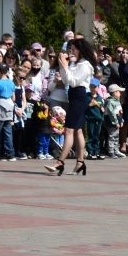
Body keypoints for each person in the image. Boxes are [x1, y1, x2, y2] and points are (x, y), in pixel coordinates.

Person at [45, 38, 96, 176]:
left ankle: (60, 162)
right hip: (73, 95)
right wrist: (63, 66)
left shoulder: (85, 65)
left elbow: (73, 82)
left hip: (79, 95)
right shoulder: (74, 63)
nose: (71, 51)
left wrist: (65, 67)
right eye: (70, 48)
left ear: (80, 50)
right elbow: (66, 79)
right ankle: (80, 162)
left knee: (69, 130)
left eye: (73, 49)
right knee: (78, 130)